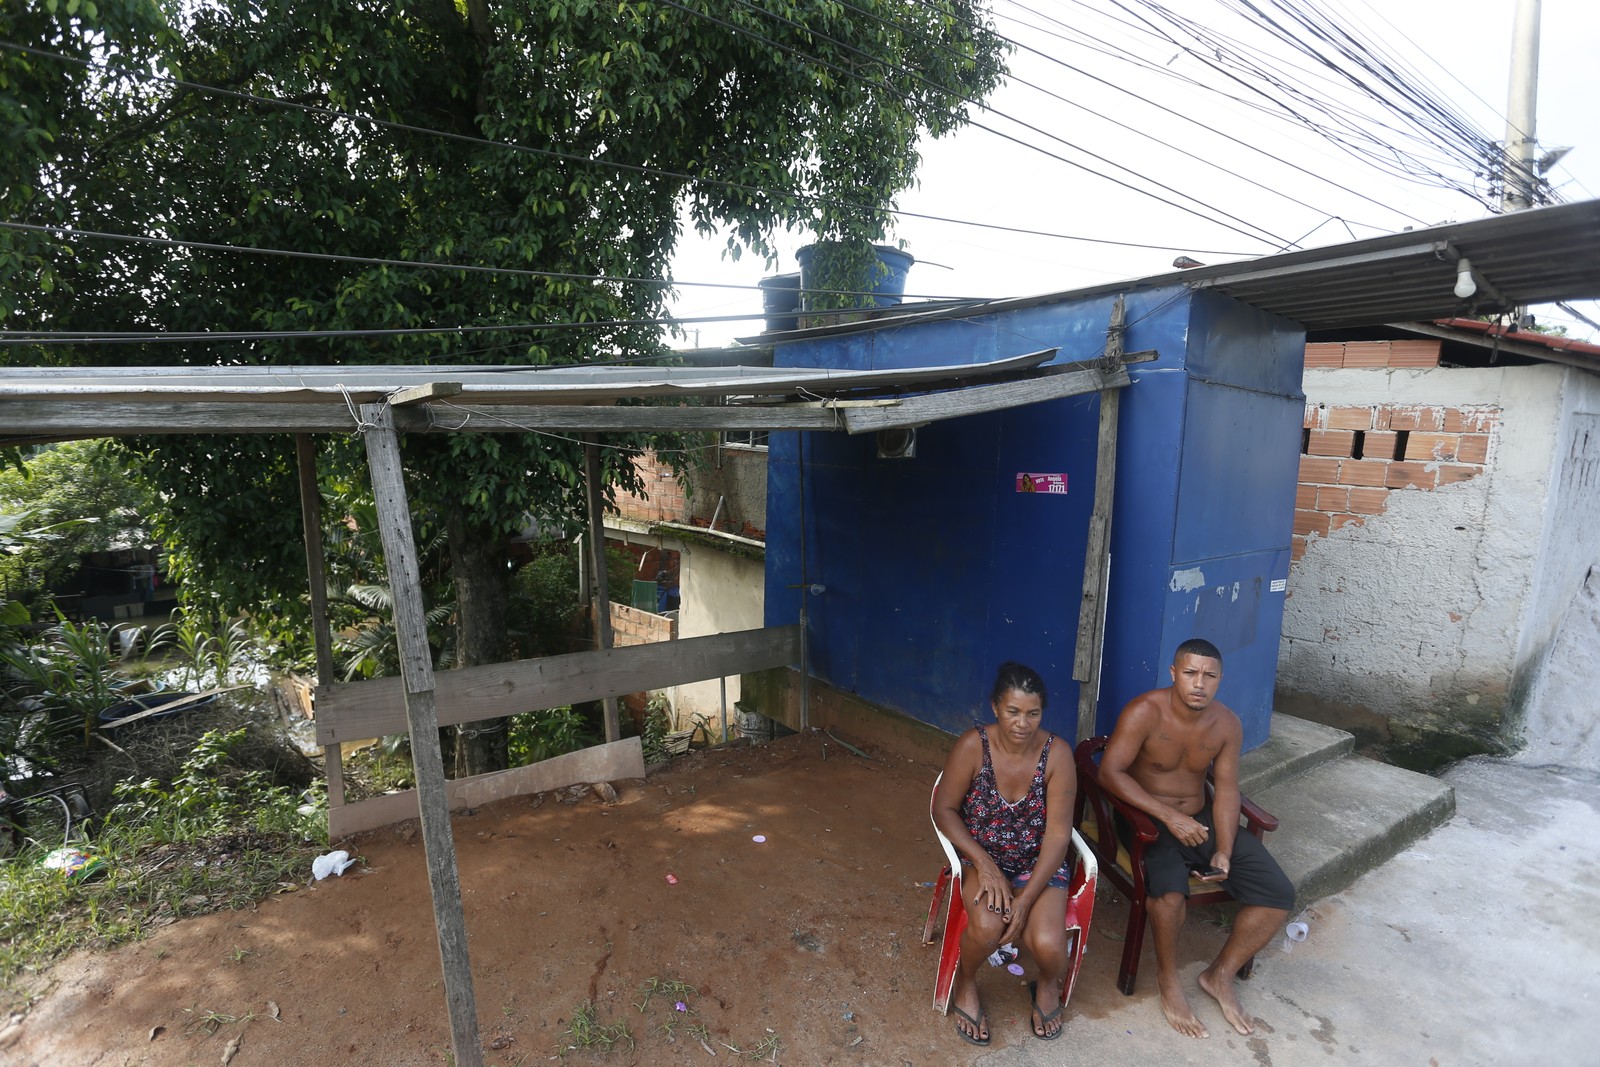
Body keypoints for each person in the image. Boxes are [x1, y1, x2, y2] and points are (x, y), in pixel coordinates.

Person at [1100, 637, 1294, 1039]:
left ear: (1220, 679)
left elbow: (1226, 790)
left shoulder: (1226, 724)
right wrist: (1168, 816)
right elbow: (1110, 773)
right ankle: (1169, 980)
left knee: (1277, 894)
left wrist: (1223, 848)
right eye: (1190, 673)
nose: (1199, 683)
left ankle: (1218, 976)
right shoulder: (1144, 712)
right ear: (1174, 674)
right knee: (1169, 898)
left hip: (1201, 821)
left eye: (1209, 675)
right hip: (1147, 820)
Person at [932, 662, 1079, 1046]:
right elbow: (943, 808)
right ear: (996, 707)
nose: (1022, 723)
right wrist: (984, 863)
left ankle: (1046, 985)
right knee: (987, 927)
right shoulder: (973, 746)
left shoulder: (1057, 754)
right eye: (1013, 711)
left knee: (1049, 946)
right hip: (983, 856)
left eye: (1033, 713)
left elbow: (1059, 835)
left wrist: (1027, 898)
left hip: (1036, 864)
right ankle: (966, 981)